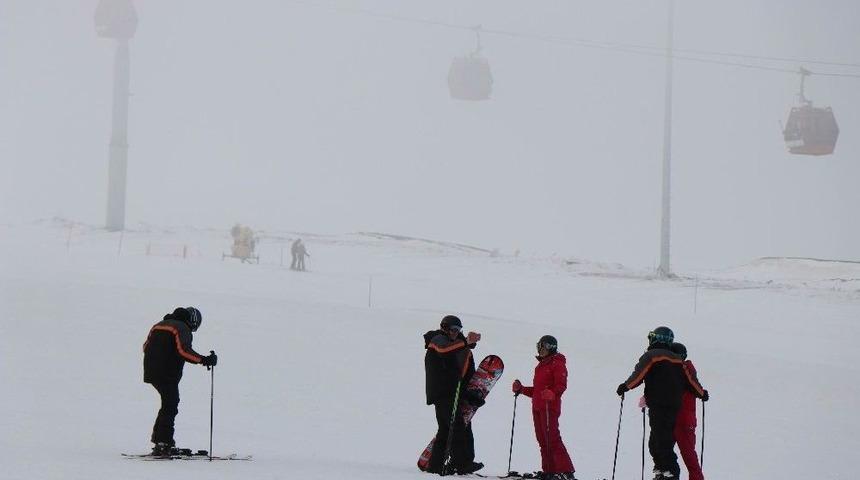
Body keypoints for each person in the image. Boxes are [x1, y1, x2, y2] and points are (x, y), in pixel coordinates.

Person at [616, 327, 707, 480]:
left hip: (658, 404)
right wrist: (702, 394)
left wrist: (626, 386)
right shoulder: (678, 360)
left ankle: (669, 472)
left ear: (658, 338)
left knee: (660, 439)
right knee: (658, 439)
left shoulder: (652, 355)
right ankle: (662, 470)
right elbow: (691, 381)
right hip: (672, 406)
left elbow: (639, 374)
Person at [143, 307, 217, 455]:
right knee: (170, 404)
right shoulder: (181, 328)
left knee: (168, 403)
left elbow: (145, 347)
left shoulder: (159, 325)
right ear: (193, 321)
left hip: (152, 371)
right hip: (167, 373)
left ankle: (161, 441)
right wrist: (204, 360)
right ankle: (163, 443)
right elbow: (183, 351)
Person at [423, 315, 483, 475]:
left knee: (446, 429)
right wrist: (465, 342)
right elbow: (444, 350)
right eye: (454, 330)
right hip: (443, 393)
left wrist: (470, 395)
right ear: (445, 328)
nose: (456, 333)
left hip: (451, 393)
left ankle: (435, 465)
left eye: (459, 330)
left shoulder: (457, 345)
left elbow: (461, 370)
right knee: (456, 427)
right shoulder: (436, 339)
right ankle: (460, 463)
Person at [512, 335, 576, 480]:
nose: (539, 350)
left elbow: (561, 385)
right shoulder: (541, 366)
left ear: (549, 347)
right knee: (542, 439)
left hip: (549, 407)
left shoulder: (557, 364)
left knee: (552, 438)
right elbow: (537, 391)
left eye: (542, 347)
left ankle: (565, 471)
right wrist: (521, 389)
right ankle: (549, 471)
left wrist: (552, 393)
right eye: (538, 346)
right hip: (538, 407)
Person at [669, 343, 705, 480]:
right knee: (666, 455)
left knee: (690, 458)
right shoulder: (674, 372)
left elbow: (698, 390)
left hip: (684, 421)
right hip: (675, 420)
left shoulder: (685, 370)